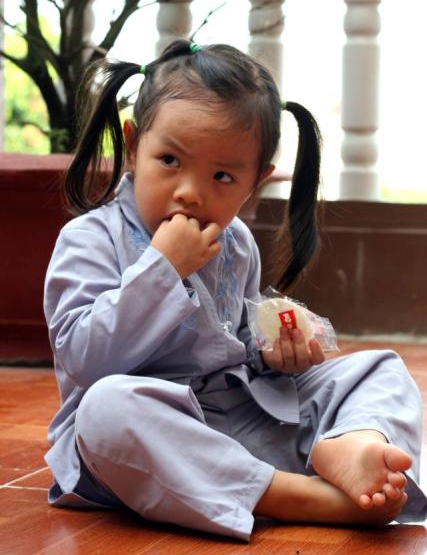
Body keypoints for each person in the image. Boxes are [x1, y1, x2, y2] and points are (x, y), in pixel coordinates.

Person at [44, 39, 426, 541]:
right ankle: (300, 497)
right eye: (170, 160)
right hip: (152, 436)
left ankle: (355, 444)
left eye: (222, 175)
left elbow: (237, 347)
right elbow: (83, 360)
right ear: (133, 146)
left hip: (235, 422)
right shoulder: (90, 239)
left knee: (378, 368)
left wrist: (274, 350)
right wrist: (162, 269)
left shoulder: (237, 242)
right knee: (105, 409)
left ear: (255, 182)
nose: (190, 192)